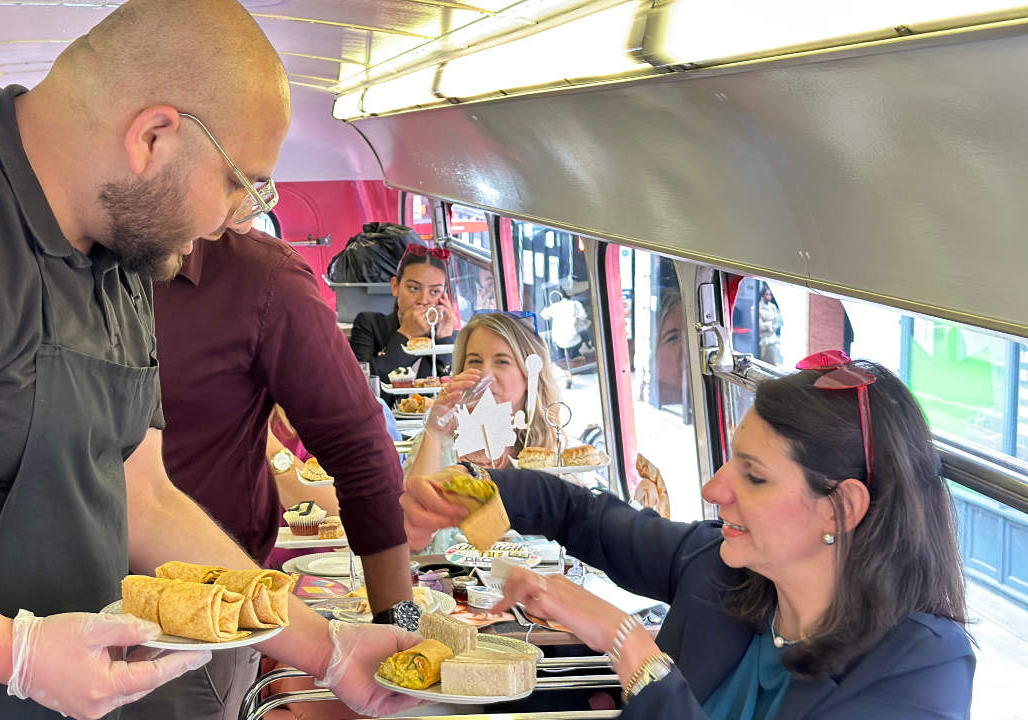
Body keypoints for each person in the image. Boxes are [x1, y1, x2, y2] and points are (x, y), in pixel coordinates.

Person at [0, 2, 418, 719]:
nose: (238, 217)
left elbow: (142, 495)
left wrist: (331, 648)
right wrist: (17, 654)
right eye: (238, 182)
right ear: (153, 138)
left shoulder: (121, 248)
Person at [402, 352, 973, 718]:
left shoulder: (922, 669)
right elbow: (583, 515)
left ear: (841, 508)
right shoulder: (721, 568)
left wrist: (627, 643)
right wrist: (471, 492)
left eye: (754, 475)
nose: (714, 487)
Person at [141, 227, 414, 720]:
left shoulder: (263, 279)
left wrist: (401, 632)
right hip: (17, 608)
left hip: (203, 625)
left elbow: (363, 454)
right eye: (237, 183)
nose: (240, 216)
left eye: (252, 188)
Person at [402, 312, 560, 554]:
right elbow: (409, 539)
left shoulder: (545, 450)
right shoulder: (440, 442)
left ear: (529, 374)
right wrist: (433, 434)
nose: (485, 374)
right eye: (474, 361)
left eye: (502, 361)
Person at [350, 244, 458, 384]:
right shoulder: (369, 325)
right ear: (396, 287)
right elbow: (362, 386)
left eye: (434, 292)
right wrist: (406, 335)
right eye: (414, 288)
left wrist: (444, 339)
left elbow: (452, 390)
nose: (423, 300)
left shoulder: (451, 339)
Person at [541, 289, 587, 387]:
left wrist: (548, 305)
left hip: (559, 340)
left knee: (561, 358)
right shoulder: (575, 303)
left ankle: (568, 374)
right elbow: (583, 316)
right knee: (575, 352)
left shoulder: (554, 306)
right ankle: (576, 367)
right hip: (574, 338)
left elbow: (543, 315)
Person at [757, 283, 783, 365]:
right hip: (762, 339)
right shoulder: (757, 307)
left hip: (772, 338)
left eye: (770, 294)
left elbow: (776, 323)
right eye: (766, 294)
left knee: (772, 361)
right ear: (763, 295)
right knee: (763, 361)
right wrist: (769, 325)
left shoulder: (773, 307)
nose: (769, 296)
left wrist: (770, 327)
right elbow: (760, 325)